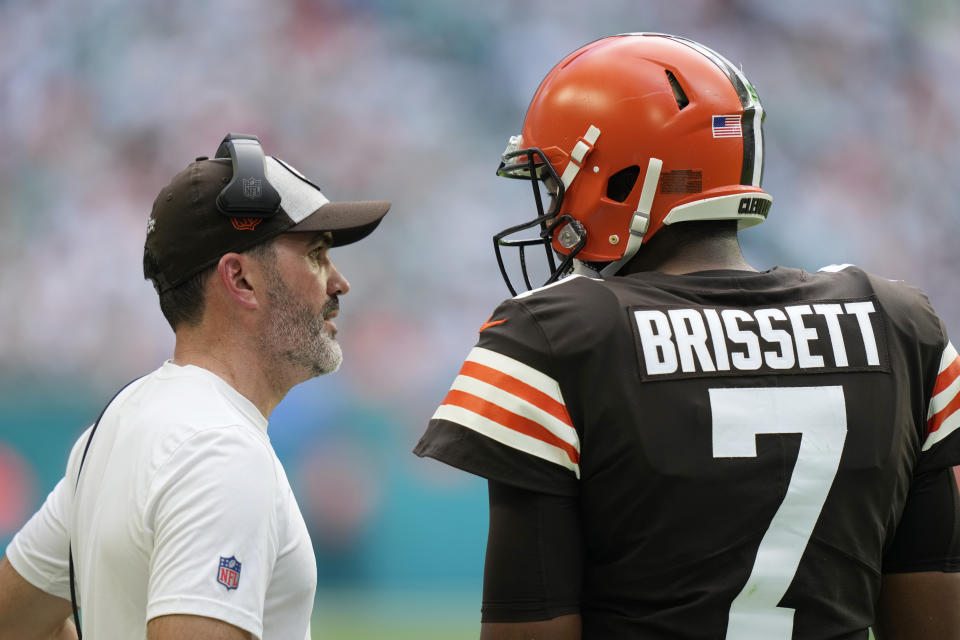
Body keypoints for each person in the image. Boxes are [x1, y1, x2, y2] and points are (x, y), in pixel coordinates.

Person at [414, 33, 960, 639]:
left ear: (623, 181)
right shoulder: (902, 325)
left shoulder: (556, 338)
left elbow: (529, 628)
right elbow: (933, 621)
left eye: (555, 185)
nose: (550, 215)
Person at [0, 133, 390, 640]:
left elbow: (13, 621)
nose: (339, 282)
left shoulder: (116, 425)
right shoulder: (221, 449)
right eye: (316, 254)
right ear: (241, 279)